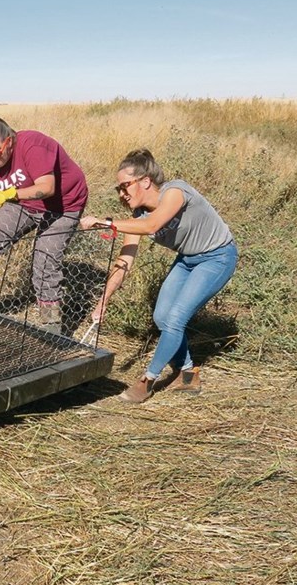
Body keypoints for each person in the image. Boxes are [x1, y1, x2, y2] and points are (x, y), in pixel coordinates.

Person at [80, 148, 238, 403]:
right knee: (162, 316)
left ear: (145, 181)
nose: (121, 193)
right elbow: (125, 261)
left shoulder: (175, 191)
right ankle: (188, 373)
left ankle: (147, 381)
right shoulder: (137, 217)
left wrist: (106, 222)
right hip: (187, 260)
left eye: (125, 186)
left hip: (217, 257)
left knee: (175, 319)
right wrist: (104, 299)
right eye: (118, 189)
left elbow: (153, 226)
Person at [0, 117, 89, 324]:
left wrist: (10, 194)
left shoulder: (33, 144)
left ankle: (52, 326)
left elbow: (48, 188)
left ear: (10, 141)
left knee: (45, 261)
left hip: (64, 205)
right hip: (24, 204)